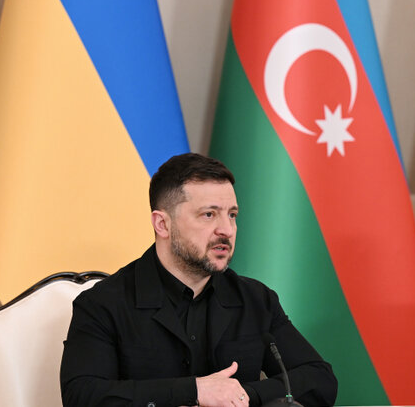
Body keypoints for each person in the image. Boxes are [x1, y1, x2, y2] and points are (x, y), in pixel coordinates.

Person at [60, 153, 337, 406]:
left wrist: (243, 395)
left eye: (232, 215)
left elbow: (319, 379)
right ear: (162, 224)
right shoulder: (103, 303)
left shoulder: (256, 299)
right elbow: (82, 395)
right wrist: (193, 391)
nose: (226, 230)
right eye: (209, 214)